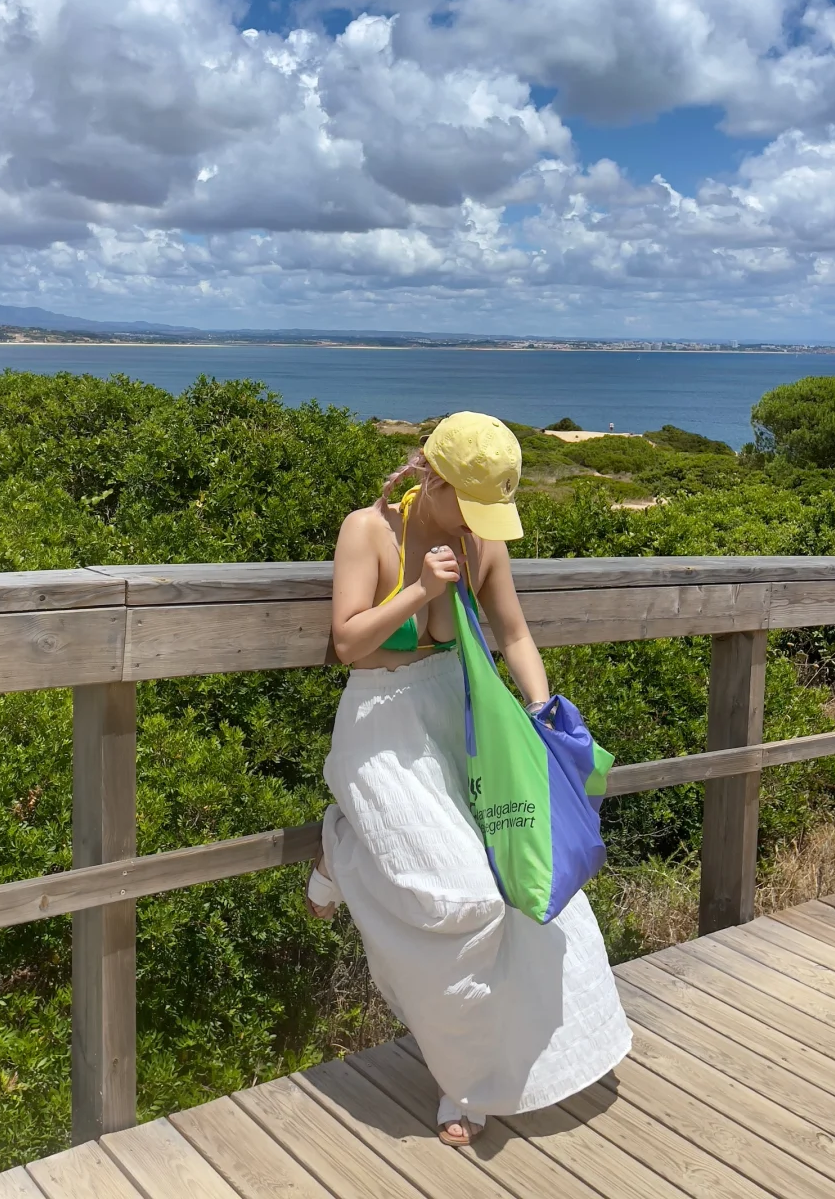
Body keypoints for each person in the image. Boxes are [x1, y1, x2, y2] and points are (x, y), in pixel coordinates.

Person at [305, 412, 632, 1146]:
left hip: (458, 725)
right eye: (472, 501)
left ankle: (470, 1080)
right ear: (436, 478)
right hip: (381, 730)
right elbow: (349, 641)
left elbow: (512, 632)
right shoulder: (370, 529)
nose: (483, 523)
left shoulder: (481, 541)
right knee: (466, 899)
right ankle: (347, 845)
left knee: (520, 891)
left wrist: (544, 709)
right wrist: (420, 590)